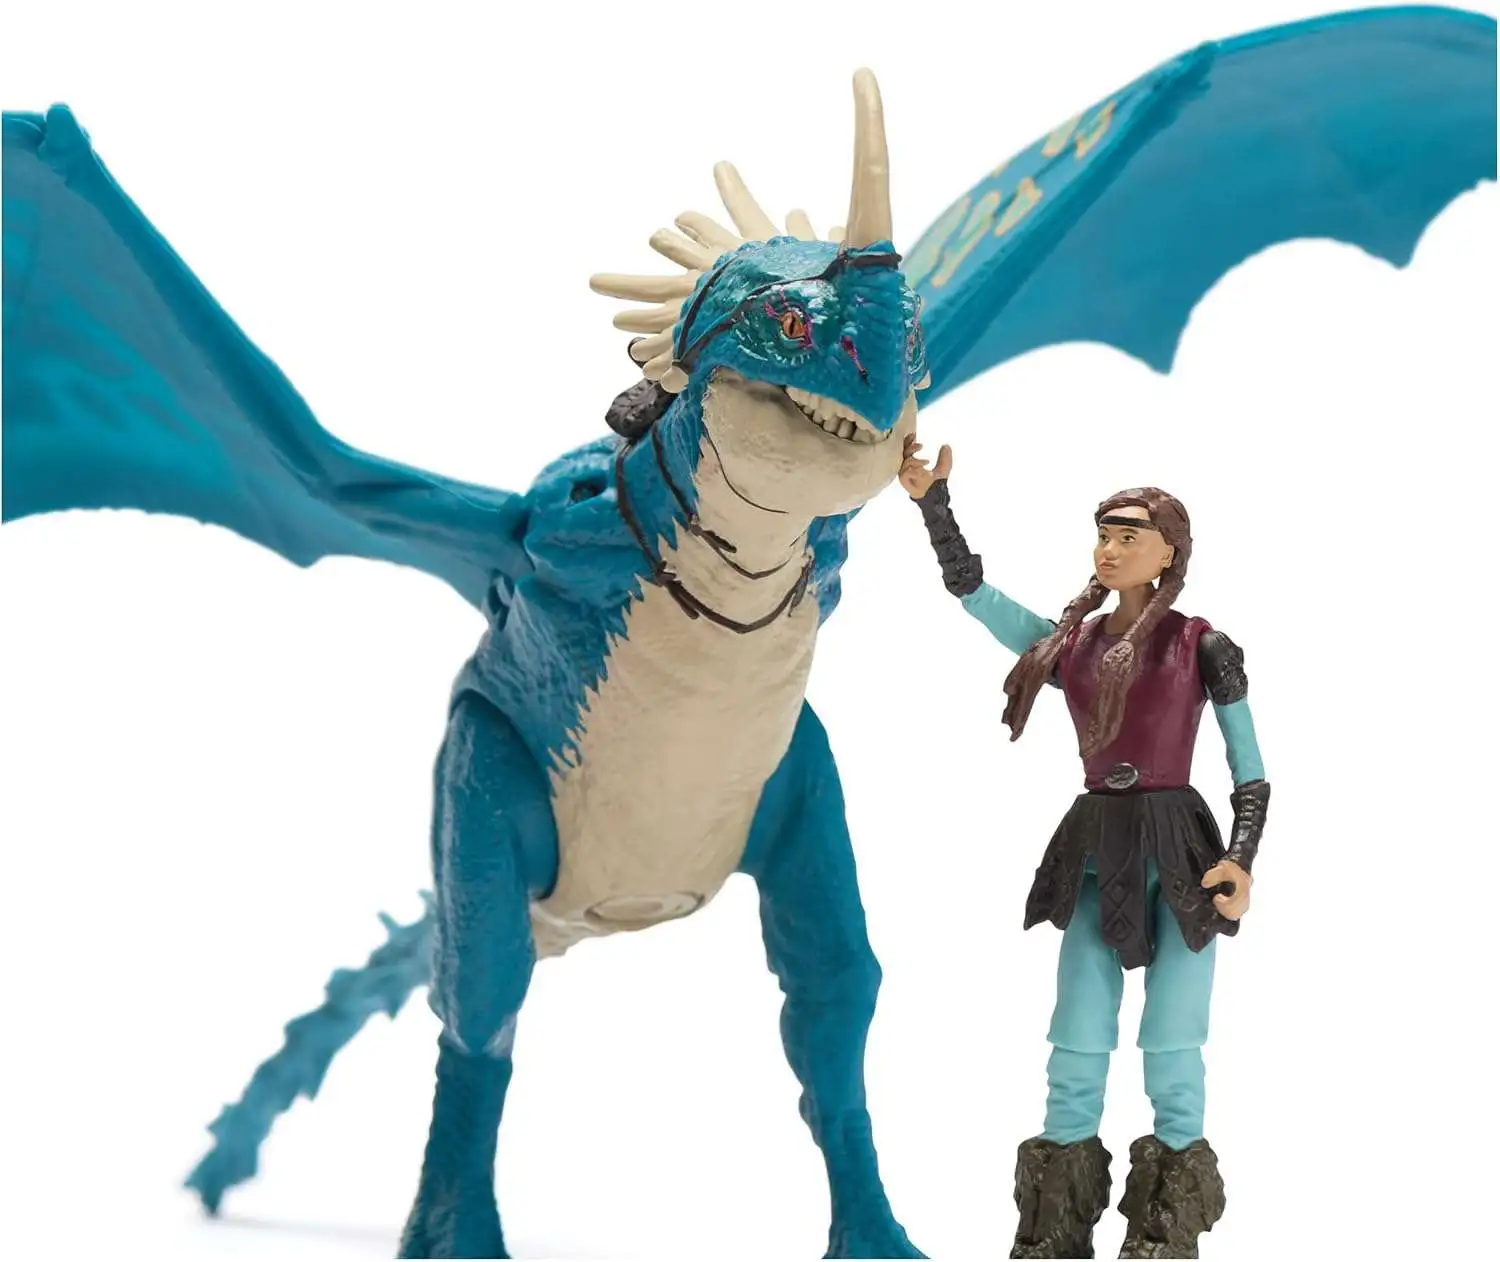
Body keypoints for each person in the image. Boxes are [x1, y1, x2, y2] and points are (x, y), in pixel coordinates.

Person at [899, 436, 1270, 1260]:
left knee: (1173, 1037)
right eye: (1103, 534)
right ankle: (1053, 1224)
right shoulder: (1071, 645)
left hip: (1182, 854)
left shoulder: (1203, 645)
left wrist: (1240, 861)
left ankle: (1165, 1224)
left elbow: (1250, 770)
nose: (1109, 549)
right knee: (1076, 1031)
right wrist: (934, 504)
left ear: (1168, 552)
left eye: (1129, 535)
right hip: (1099, 842)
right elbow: (973, 593)